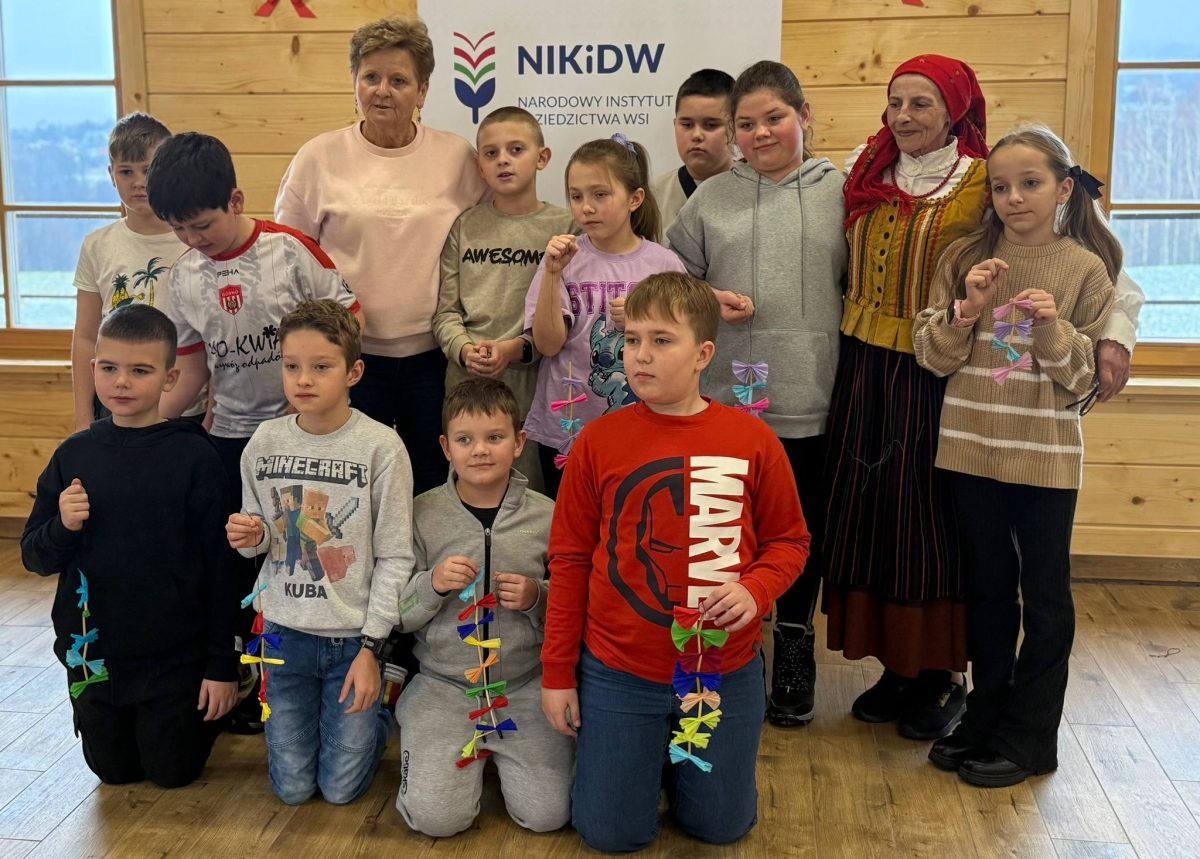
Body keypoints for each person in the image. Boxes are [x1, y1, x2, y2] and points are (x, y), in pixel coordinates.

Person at [541, 272, 811, 852]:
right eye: (632, 339)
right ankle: (646, 757)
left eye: (661, 340)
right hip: (618, 671)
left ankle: (668, 762)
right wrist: (559, 673)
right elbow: (568, 561)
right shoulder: (596, 442)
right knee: (610, 834)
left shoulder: (752, 440)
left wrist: (756, 590)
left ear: (703, 354)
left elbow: (790, 542)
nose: (641, 355)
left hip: (721, 672)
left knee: (721, 827)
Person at [912, 124, 1117, 787]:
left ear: (1064, 189)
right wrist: (966, 310)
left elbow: (1082, 381)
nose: (1014, 198)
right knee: (987, 592)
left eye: (1030, 183)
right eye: (1001, 187)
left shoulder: (1085, 269)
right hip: (971, 455)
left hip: (1045, 462)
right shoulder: (966, 257)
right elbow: (932, 356)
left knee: (1046, 596)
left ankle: (1031, 738)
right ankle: (984, 717)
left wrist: (1052, 327)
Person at [147, 132, 362, 733]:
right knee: (234, 560)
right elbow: (192, 368)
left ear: (236, 200)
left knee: (302, 553)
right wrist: (145, 423)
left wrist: (313, 402)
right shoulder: (183, 277)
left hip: (303, 436)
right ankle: (242, 677)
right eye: (180, 230)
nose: (193, 239)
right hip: (231, 439)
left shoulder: (289, 252)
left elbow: (350, 321)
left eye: (202, 225)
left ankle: (318, 671)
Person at [668, 61, 847, 728]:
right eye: (746, 123)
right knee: (723, 531)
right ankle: (724, 652)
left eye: (774, 118)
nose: (761, 132)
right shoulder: (711, 198)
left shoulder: (841, 193)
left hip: (812, 398)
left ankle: (793, 647)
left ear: (804, 116)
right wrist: (708, 298)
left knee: (796, 534)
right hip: (727, 404)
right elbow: (670, 280)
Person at [21, 304, 238, 788]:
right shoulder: (74, 454)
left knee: (171, 773)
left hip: (173, 658)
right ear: (93, 367)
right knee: (113, 773)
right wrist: (63, 526)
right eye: (109, 368)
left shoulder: (194, 456)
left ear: (170, 378)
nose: (121, 382)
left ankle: (212, 709)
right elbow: (34, 557)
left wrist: (221, 665)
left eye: (140, 370)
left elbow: (223, 568)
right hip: (94, 655)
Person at [275, 14, 488, 495]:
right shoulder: (317, 158)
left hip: (433, 359)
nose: (382, 91)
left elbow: (484, 243)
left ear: (423, 90)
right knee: (351, 484)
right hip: (348, 359)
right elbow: (289, 260)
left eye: (399, 80)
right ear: (354, 83)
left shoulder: (457, 157)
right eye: (370, 77)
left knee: (431, 481)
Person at [226, 299, 413, 805]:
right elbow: (259, 541)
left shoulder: (381, 447)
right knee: (291, 789)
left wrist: (373, 646)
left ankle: (383, 699)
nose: (303, 380)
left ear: (354, 372)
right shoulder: (264, 441)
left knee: (340, 789)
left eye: (321, 367)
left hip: (352, 639)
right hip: (283, 634)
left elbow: (396, 555)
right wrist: (249, 536)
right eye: (292, 366)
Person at [394, 378, 572, 836]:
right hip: (443, 688)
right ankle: (451, 756)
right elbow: (399, 613)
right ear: (445, 447)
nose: (480, 450)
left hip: (526, 686)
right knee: (436, 820)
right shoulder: (420, 514)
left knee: (548, 816)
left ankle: (501, 752)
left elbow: (573, 605)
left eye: (495, 437)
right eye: (465, 440)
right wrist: (432, 584)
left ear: (519, 442)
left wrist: (537, 596)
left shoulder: (548, 515)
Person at [525, 135, 685, 499]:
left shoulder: (663, 263)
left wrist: (643, 318)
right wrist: (552, 274)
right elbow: (547, 344)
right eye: (576, 196)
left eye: (600, 194)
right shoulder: (565, 259)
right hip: (568, 428)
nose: (586, 207)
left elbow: (685, 344)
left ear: (634, 199)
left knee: (634, 519)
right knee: (571, 526)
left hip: (645, 425)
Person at [432, 107, 575, 492]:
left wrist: (515, 349)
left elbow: (569, 318)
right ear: (479, 166)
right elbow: (446, 312)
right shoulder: (465, 225)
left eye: (516, 149)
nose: (503, 160)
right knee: (471, 490)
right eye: (491, 153)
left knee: (530, 496)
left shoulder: (565, 227)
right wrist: (465, 350)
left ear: (542, 158)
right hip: (466, 385)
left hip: (534, 389)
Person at [71, 113, 202, 431]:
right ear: (111, 174)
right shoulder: (97, 245)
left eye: (148, 169)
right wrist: (83, 418)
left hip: (187, 409)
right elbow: (86, 336)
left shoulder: (197, 240)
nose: (138, 182)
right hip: (115, 408)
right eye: (126, 171)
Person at [652, 69, 736, 237]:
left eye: (711, 125)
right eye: (687, 125)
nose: (697, 135)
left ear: (735, 128)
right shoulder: (653, 196)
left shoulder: (757, 190)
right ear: (675, 125)